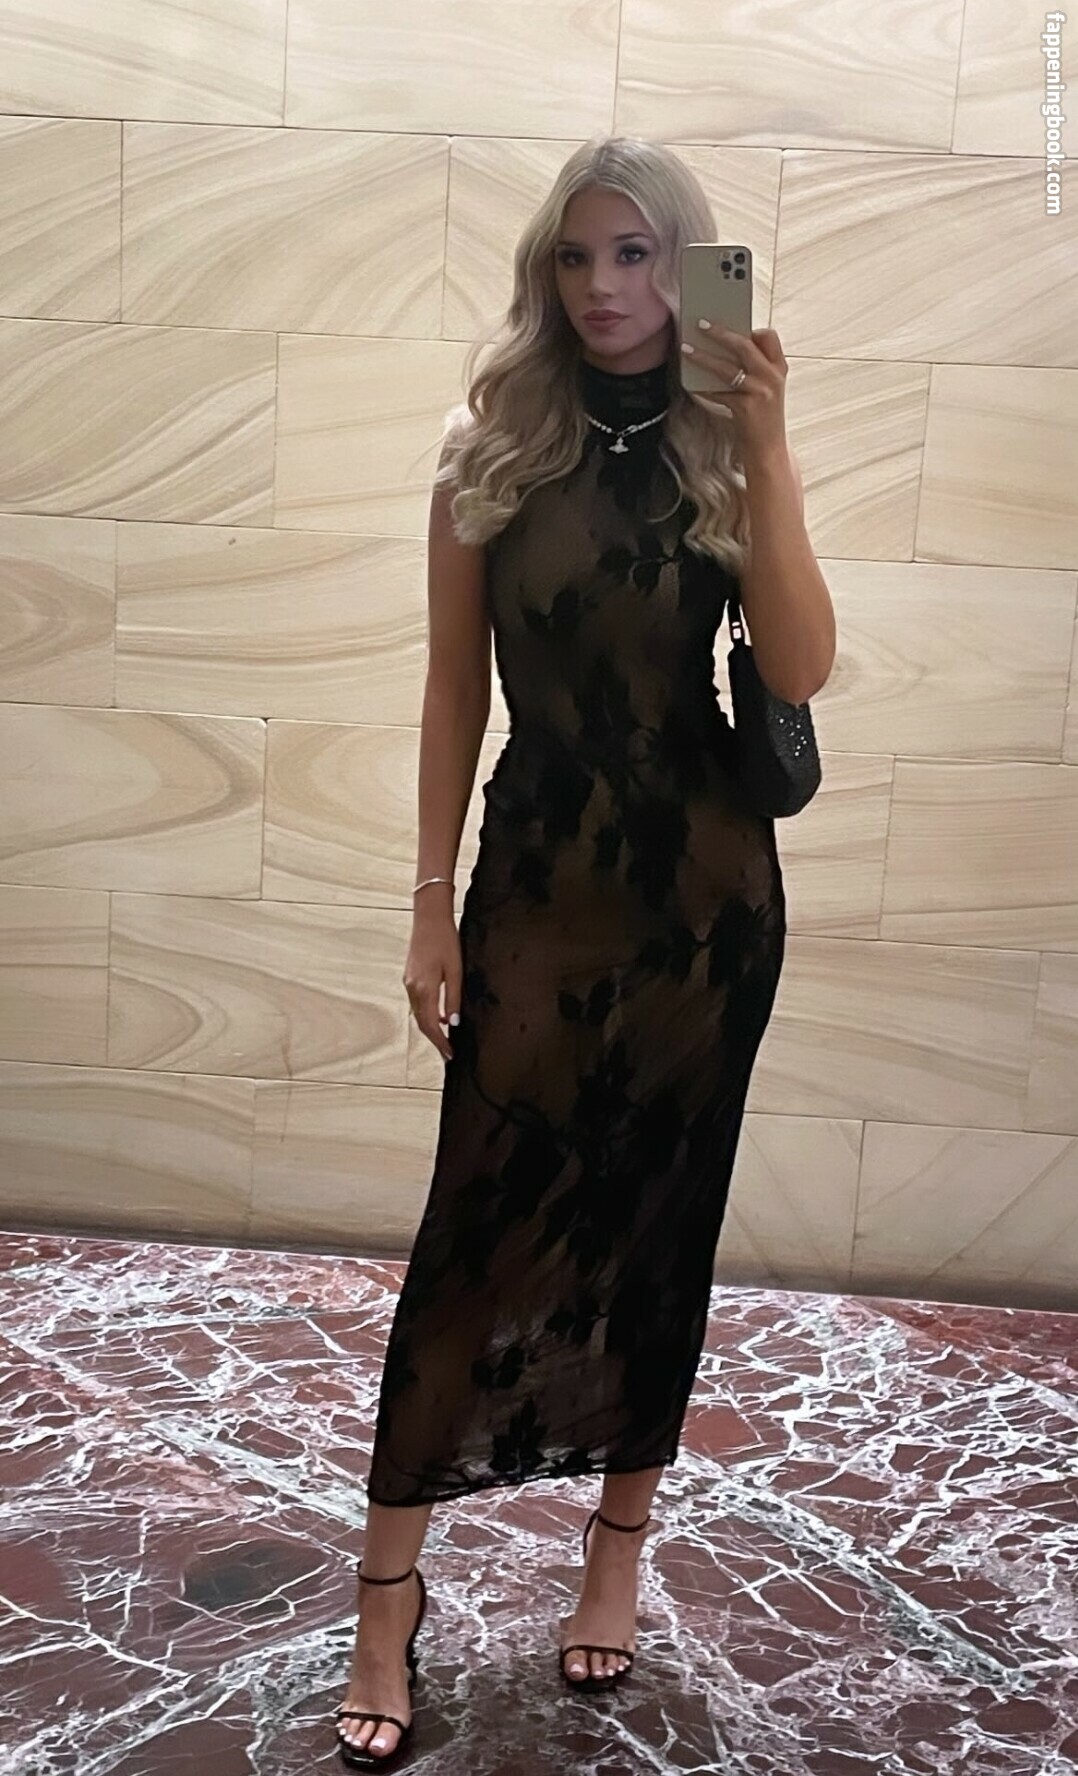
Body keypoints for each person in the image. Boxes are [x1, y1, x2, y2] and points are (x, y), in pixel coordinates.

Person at [334, 134, 836, 1768]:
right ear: (542, 273)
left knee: (656, 1229)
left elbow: (798, 669)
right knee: (473, 1233)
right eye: (574, 256)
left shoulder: (724, 444)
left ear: (684, 268)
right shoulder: (490, 442)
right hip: (540, 887)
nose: (604, 287)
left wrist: (768, 444)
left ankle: (614, 1555)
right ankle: (386, 1596)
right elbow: (450, 689)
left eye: (635, 256)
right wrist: (429, 900)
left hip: (705, 902)